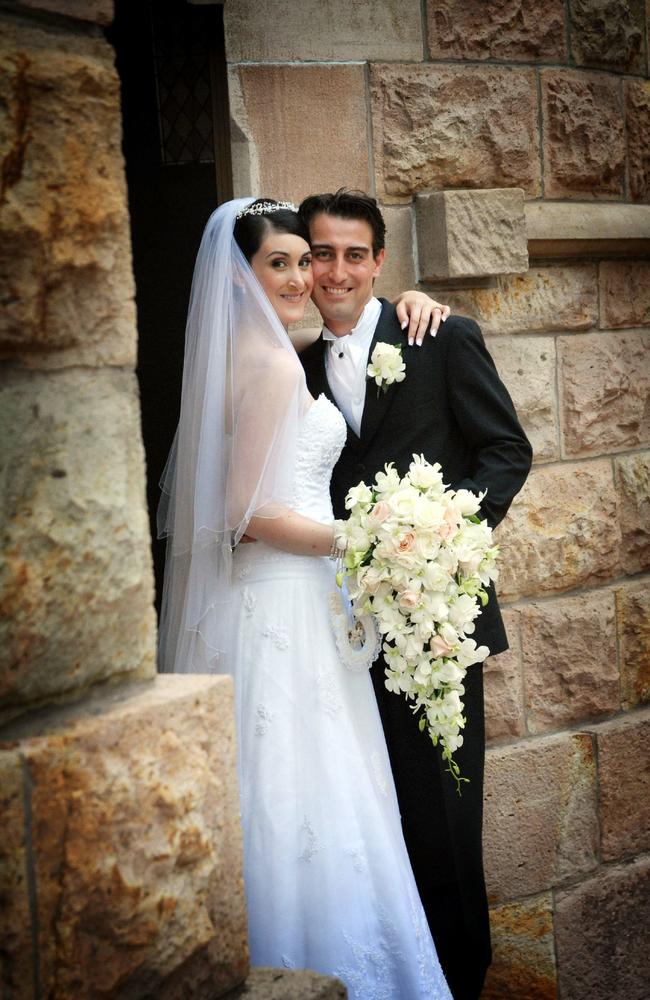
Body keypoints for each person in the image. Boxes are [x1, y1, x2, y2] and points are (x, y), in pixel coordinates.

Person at [158, 196, 453, 999]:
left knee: (323, 785)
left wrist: (417, 300)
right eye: (278, 263)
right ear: (241, 274)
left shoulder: (281, 350)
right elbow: (243, 516)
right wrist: (362, 538)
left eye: (301, 260)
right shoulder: (266, 363)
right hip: (281, 603)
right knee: (296, 784)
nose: (298, 278)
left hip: (299, 602)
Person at [298, 189, 533, 1000]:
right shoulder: (289, 365)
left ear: (379, 262)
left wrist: (447, 540)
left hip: (432, 622)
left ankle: (461, 979)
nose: (337, 271)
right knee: (367, 816)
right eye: (321, 253)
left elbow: (505, 451)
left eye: (354, 254)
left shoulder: (436, 334)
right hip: (333, 630)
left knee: (441, 820)